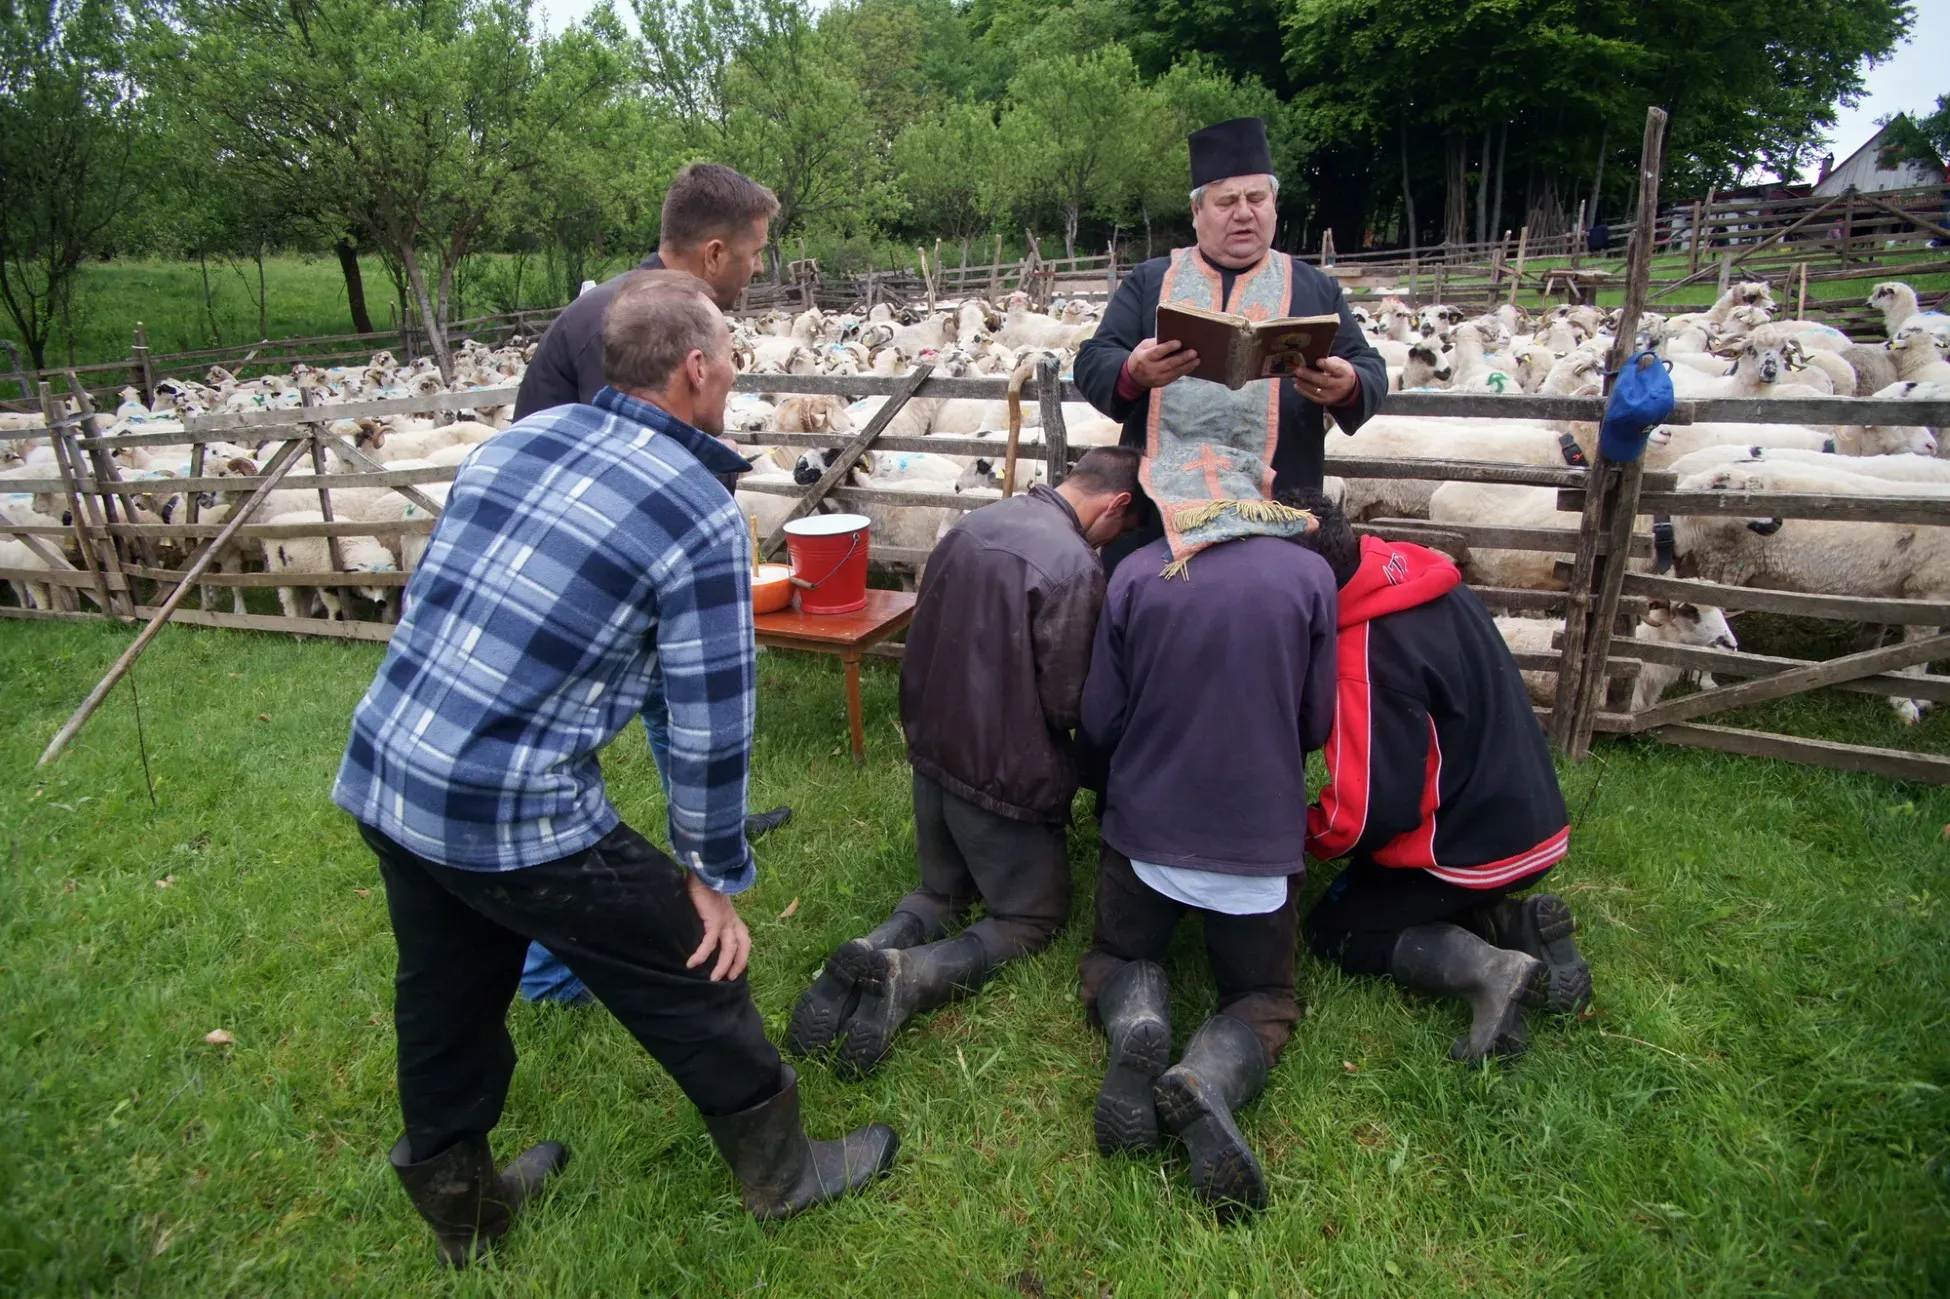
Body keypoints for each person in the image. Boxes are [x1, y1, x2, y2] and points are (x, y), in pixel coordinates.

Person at [333, 271, 897, 1268]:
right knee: (692, 962)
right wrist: (711, 873)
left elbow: (438, 598)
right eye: (731, 355)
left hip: (391, 769)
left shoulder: (514, 441)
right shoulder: (697, 510)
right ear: (695, 369)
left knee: (444, 995)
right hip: (513, 808)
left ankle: (466, 1213)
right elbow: (710, 718)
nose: (736, 371)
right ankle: (783, 1174)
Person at [514, 163, 790, 1008]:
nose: (759, 269)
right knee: (552, 767)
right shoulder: (629, 320)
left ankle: (708, 832)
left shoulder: (654, 306)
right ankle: (551, 971)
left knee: (675, 711)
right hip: (577, 575)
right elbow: (622, 467)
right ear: (714, 253)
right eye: (754, 253)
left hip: (602, 559)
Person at [785, 448, 1142, 1078]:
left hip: (932, 758)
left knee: (940, 892)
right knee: (1029, 918)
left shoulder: (975, 523)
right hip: (1003, 777)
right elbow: (1068, 702)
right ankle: (911, 975)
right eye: (1123, 528)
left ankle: (870, 947)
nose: (1113, 541)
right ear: (1117, 503)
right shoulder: (1072, 565)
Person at [1074, 487, 1338, 1221]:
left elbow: (1100, 717)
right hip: (1257, 844)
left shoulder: (1137, 571)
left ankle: (1136, 1015)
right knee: (1263, 999)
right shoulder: (1309, 575)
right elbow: (1316, 722)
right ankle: (1208, 1077)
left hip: (1145, 838)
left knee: (1114, 958)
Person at [1293, 493, 1591, 1067]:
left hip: (1461, 850)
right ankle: (1512, 920)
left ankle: (1491, 971)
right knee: (1392, 895)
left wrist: (1301, 836)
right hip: (1532, 819)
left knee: (1337, 928)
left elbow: (1365, 815)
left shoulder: (1362, 656)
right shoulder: (1416, 573)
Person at [1074, 116, 1386, 570]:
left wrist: (1349, 383)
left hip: (1279, 506)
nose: (1244, 213)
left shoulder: (1314, 288)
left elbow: (1369, 369)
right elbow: (1092, 360)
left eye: (1257, 198)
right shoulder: (1150, 281)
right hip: (1157, 516)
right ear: (1197, 210)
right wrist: (1133, 372)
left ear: (1274, 204)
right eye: (1226, 201)